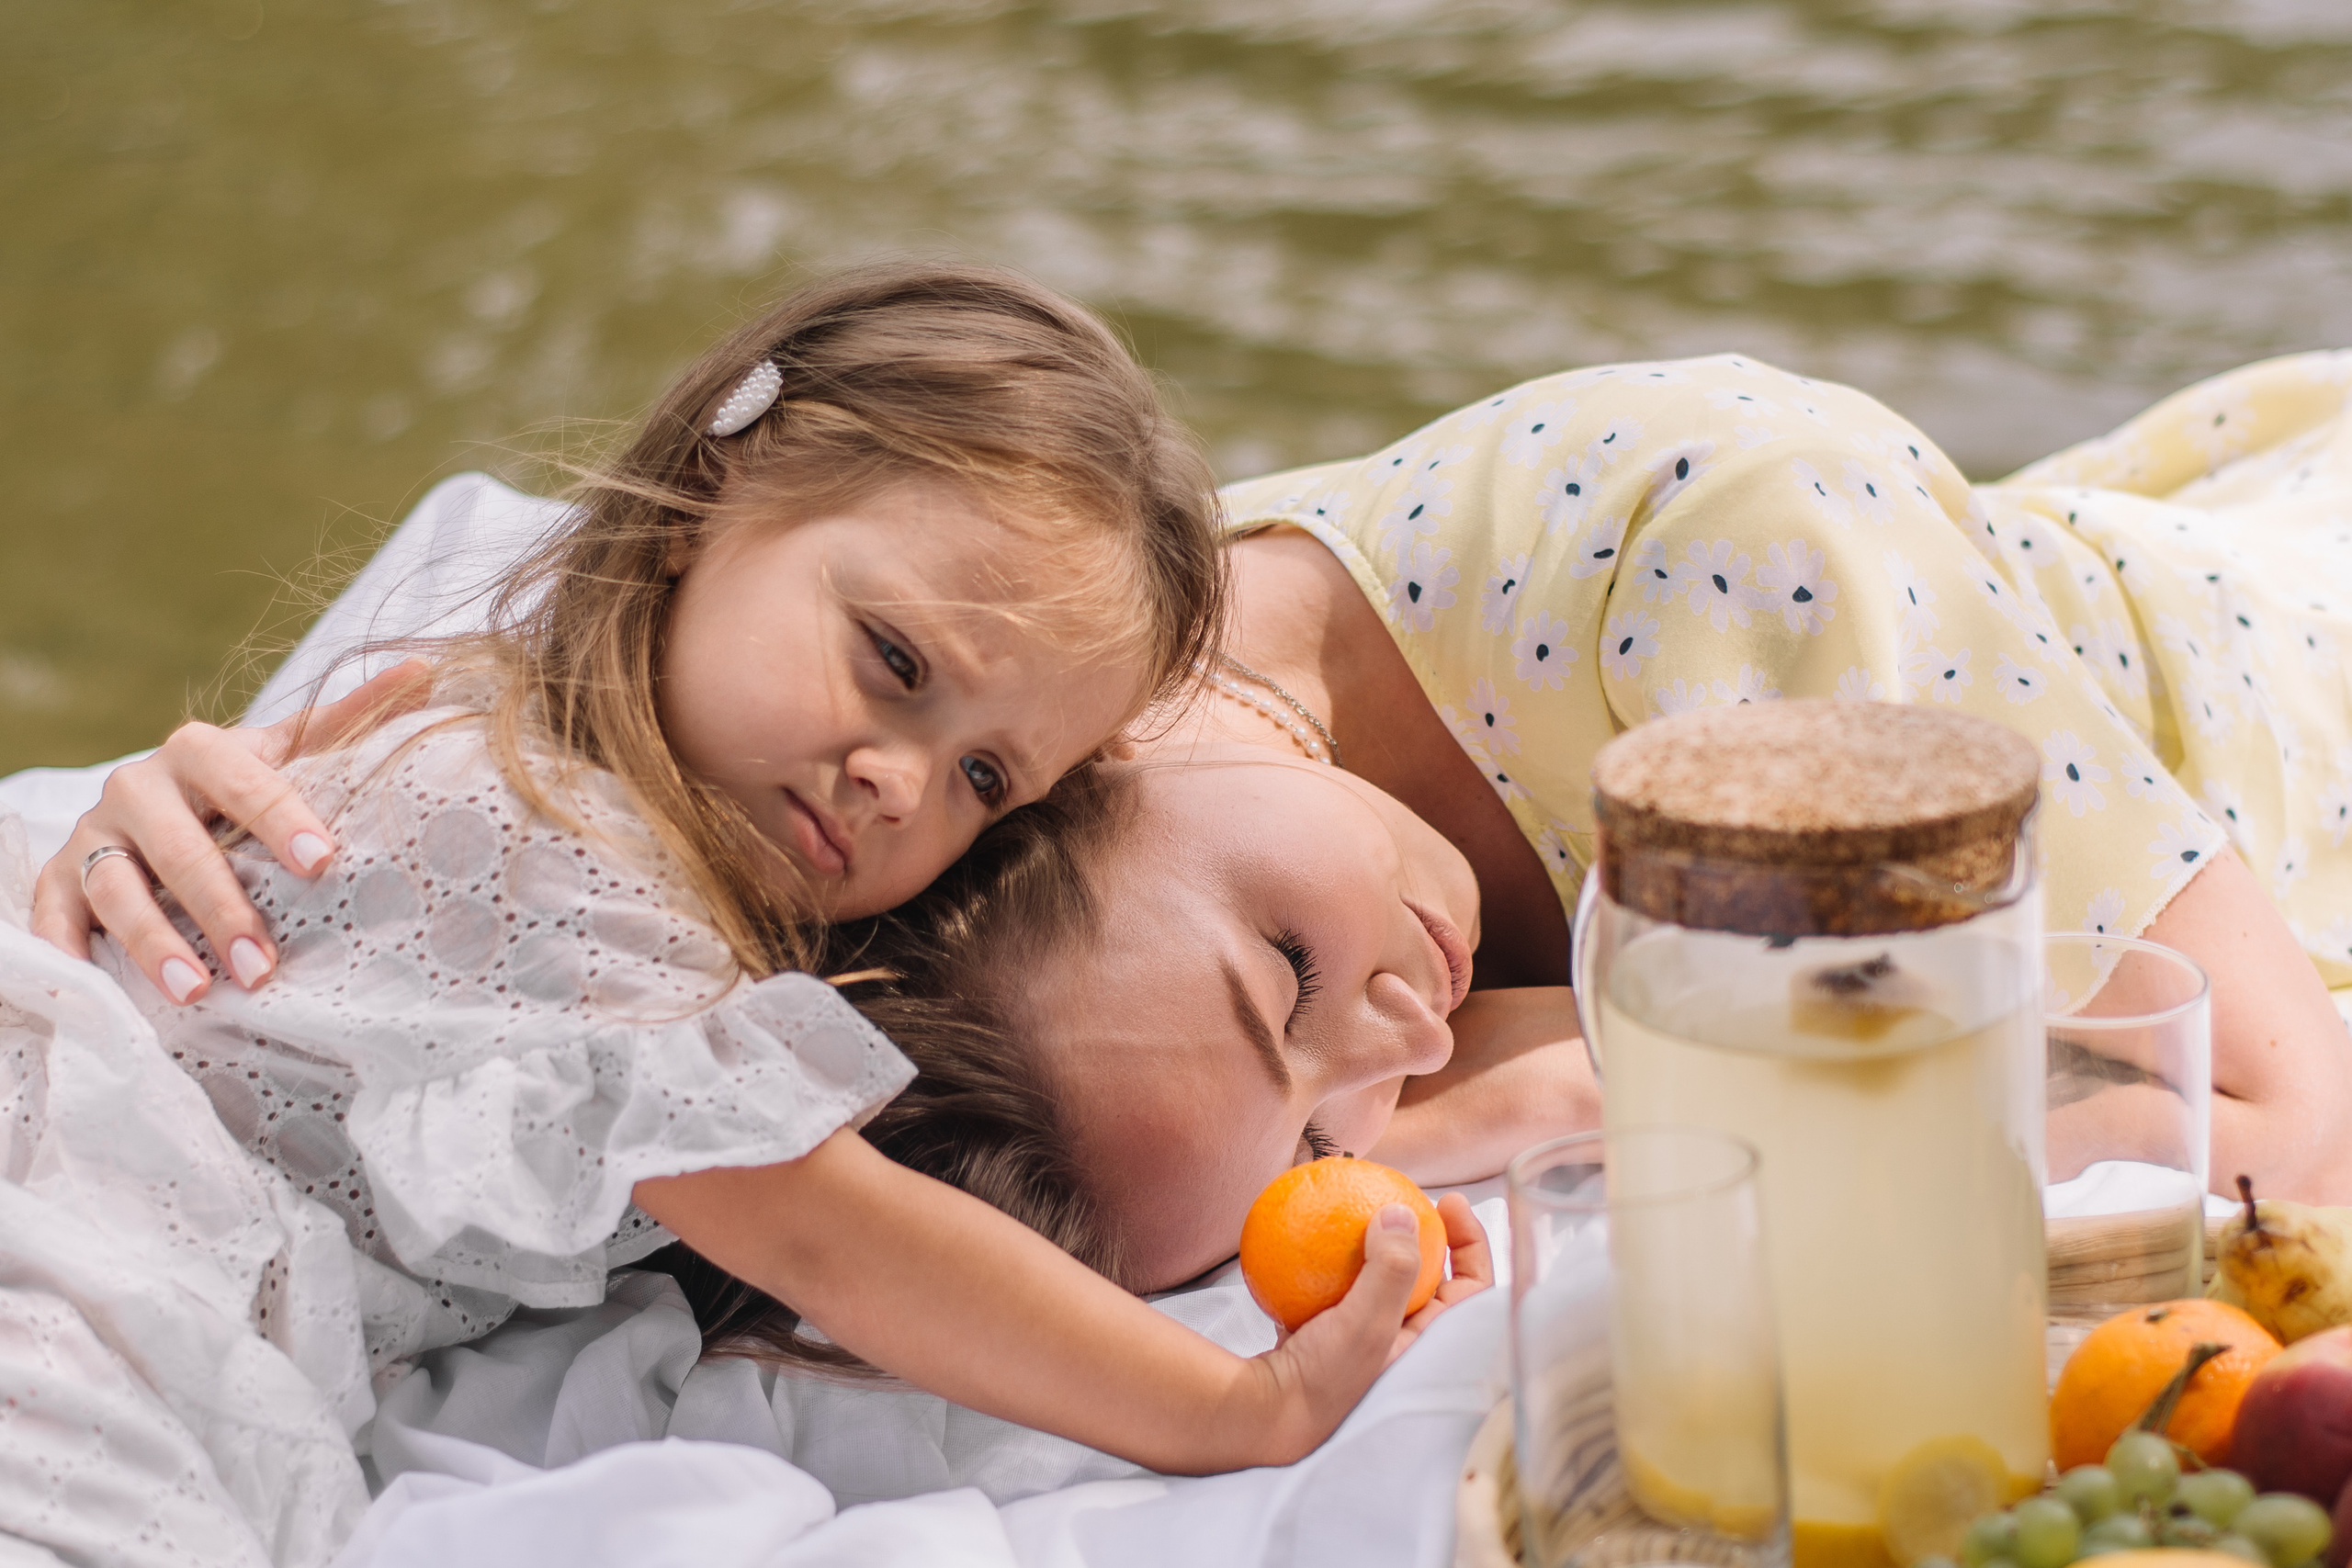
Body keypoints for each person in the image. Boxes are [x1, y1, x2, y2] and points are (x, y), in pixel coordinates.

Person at [42, 350, 2352, 1283]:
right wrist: (229, 805)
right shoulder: (922, 773)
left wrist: (1600, 1080)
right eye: (1334, 1111)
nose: (1394, 1042)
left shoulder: (1732, 547)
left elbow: (2268, 1122)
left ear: (1100, 746)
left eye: (1279, 983)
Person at [0, 262, 1490, 1564]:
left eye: (984, 773)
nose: (900, 784)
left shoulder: (517, 725)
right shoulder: (560, 858)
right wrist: (1238, 1406)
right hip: (67, 1292)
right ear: (702, 504)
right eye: (894, 661)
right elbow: (838, 1238)